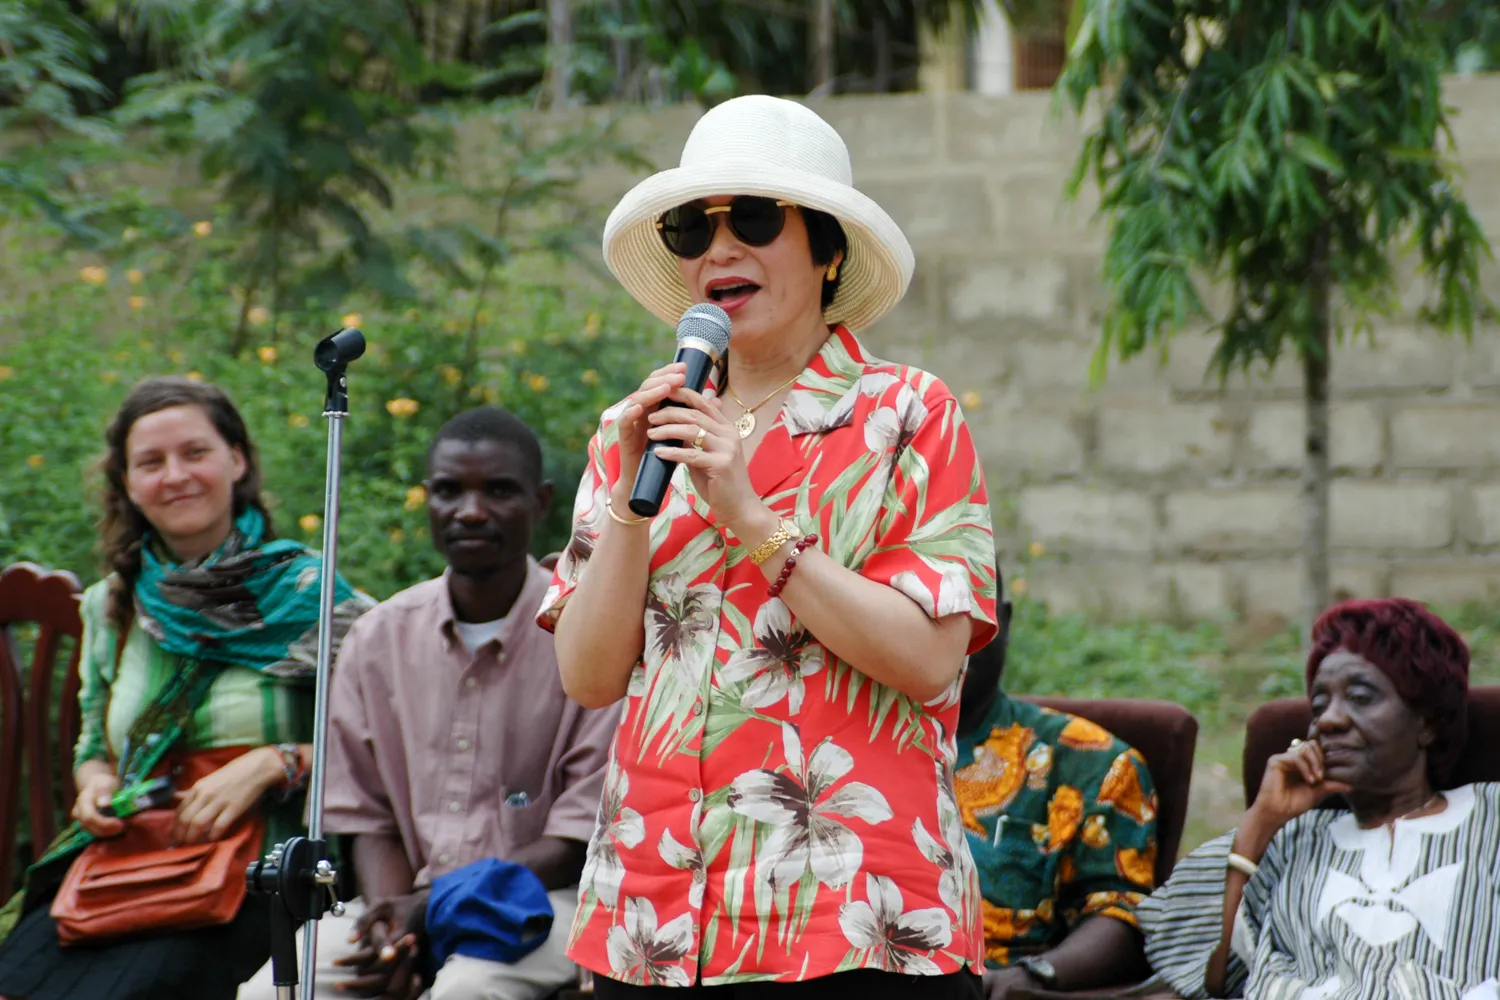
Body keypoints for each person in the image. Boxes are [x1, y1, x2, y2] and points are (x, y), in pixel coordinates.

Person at [539, 94, 999, 998]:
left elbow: (928, 660)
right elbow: (588, 678)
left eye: (753, 219)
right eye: (692, 228)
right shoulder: (636, 427)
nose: (719, 251)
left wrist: (751, 516)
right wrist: (631, 503)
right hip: (651, 917)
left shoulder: (907, 413)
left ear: (829, 250)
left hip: (852, 917)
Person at [0, 376, 369, 1000]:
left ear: (236, 460)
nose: (175, 476)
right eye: (151, 462)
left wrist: (276, 762)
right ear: (127, 483)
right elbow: (94, 749)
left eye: (195, 452)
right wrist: (96, 788)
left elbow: (384, 739)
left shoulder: (313, 594)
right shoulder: (112, 607)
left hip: (263, 873)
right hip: (127, 868)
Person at [241, 406, 617, 1000]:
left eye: (499, 491)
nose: (471, 511)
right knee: (274, 991)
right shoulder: (378, 638)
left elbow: (577, 839)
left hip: (545, 901)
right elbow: (368, 819)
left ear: (542, 501)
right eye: (448, 491)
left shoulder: (585, 632)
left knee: (466, 989)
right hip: (404, 901)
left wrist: (430, 909)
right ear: (428, 499)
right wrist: (398, 928)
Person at [1139, 598, 1500, 999]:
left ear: (1428, 722)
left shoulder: (1491, 817)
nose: (1329, 720)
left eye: (1360, 698)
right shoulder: (1291, 839)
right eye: (1319, 705)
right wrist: (1261, 820)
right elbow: (1200, 974)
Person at [953, 595, 1155, 999]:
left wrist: (1031, 977)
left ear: (1003, 620)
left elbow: (1123, 914)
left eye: (966, 605)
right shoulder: (832, 756)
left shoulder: (1089, 760)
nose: (948, 628)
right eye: (920, 607)